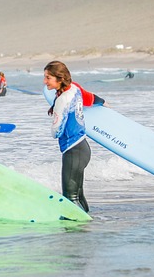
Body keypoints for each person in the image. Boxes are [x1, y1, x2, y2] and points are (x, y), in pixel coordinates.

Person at [43, 61, 106, 212]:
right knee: (78, 195)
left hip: (72, 150)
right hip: (82, 147)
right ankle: (86, 226)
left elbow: (57, 131)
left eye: (48, 78)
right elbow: (90, 98)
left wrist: (53, 129)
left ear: (59, 79)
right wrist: (103, 102)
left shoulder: (63, 99)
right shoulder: (75, 88)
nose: (45, 82)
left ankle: (74, 232)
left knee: (70, 197)